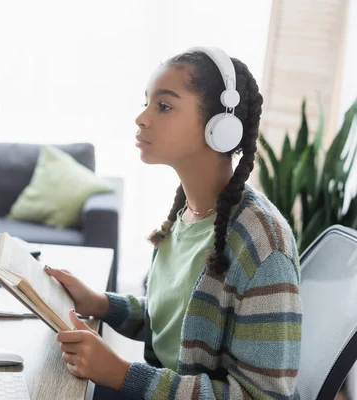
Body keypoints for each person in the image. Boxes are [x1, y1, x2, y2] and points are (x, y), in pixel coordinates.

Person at [45, 47, 302, 399]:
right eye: (146, 102)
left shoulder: (263, 246)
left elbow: (264, 397)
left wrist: (122, 374)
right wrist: (100, 303)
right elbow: (170, 325)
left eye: (163, 106)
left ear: (220, 127)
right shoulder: (186, 212)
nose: (141, 118)